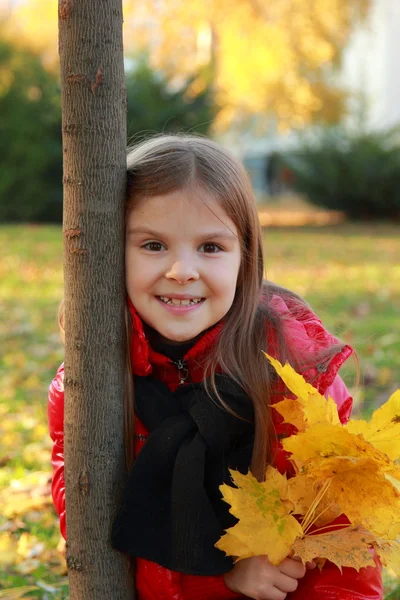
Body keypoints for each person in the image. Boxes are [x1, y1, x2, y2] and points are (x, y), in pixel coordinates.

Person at [48, 134, 383, 600]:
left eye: (210, 247)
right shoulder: (89, 381)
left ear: (245, 257)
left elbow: (342, 533)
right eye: (152, 245)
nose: (182, 270)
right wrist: (214, 575)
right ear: (109, 253)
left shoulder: (292, 375)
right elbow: (90, 525)